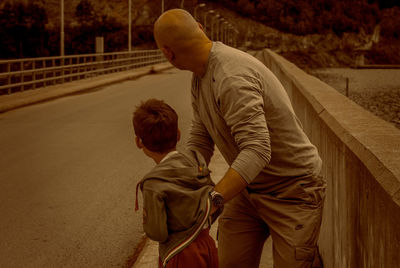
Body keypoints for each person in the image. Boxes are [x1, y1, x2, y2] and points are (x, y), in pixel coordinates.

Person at [153, 9, 327, 268]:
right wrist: (180, 181)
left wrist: (213, 200)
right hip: (248, 192)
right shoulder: (200, 77)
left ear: (168, 53)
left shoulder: (231, 77)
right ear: (201, 27)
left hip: (292, 191)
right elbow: (201, 137)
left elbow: (257, 149)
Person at [132, 98, 219, 268]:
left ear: (138, 142)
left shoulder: (153, 183)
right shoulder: (196, 159)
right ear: (178, 134)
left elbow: (157, 232)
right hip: (207, 245)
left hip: (179, 252)